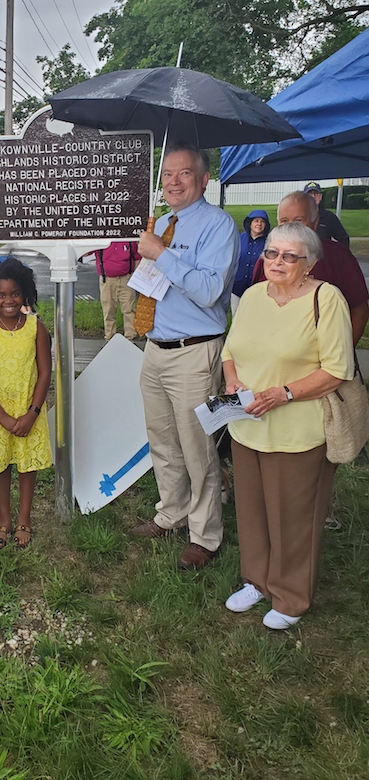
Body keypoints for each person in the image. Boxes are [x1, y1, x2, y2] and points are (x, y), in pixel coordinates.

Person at [222, 223, 354, 629]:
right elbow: (231, 349)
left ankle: (291, 596)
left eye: (288, 256)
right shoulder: (253, 296)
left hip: (298, 430)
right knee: (253, 510)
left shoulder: (326, 299)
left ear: (310, 263)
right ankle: (257, 580)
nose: (276, 262)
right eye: (272, 253)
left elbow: (337, 370)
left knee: (295, 516)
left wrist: (284, 393)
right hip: (248, 424)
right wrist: (231, 378)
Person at [130, 143, 240, 570]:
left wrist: (161, 253)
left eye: (184, 174)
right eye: (168, 174)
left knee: (198, 447)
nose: (173, 182)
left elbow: (211, 290)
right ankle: (171, 513)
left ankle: (205, 535)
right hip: (155, 347)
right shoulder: (161, 221)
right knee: (162, 439)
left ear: (204, 179)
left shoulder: (218, 226)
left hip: (195, 352)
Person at [0, 259, 52, 549]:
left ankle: (24, 519)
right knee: (0, 464)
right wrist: (2, 416)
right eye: (2, 295)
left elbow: (44, 372)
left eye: (15, 294)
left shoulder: (35, 326)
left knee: (27, 465)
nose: (9, 300)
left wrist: (33, 412)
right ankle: (4, 519)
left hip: (28, 409)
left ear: (25, 294)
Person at [252, 192, 368, 345]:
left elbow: (360, 309)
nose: (291, 228)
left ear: (315, 222)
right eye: (284, 221)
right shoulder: (269, 258)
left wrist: (343, 354)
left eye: (298, 221)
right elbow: (256, 307)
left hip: (322, 357)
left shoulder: (337, 256)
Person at [92, 241, 141, 340]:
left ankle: (131, 338)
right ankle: (110, 337)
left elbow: (137, 257)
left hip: (126, 278)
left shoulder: (128, 238)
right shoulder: (101, 237)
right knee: (109, 310)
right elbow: (85, 252)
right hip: (107, 280)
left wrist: (134, 276)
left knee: (129, 309)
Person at [230, 209, 270, 314]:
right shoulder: (238, 238)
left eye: (262, 221)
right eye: (256, 221)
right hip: (237, 286)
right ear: (250, 223)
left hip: (258, 288)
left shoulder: (269, 242)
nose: (259, 224)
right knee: (237, 315)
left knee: (255, 316)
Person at [303, 181, 349, 247]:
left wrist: (339, 255)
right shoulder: (299, 216)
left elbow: (343, 239)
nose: (313, 196)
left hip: (324, 256)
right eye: (310, 194)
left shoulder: (329, 217)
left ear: (321, 196)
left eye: (316, 193)